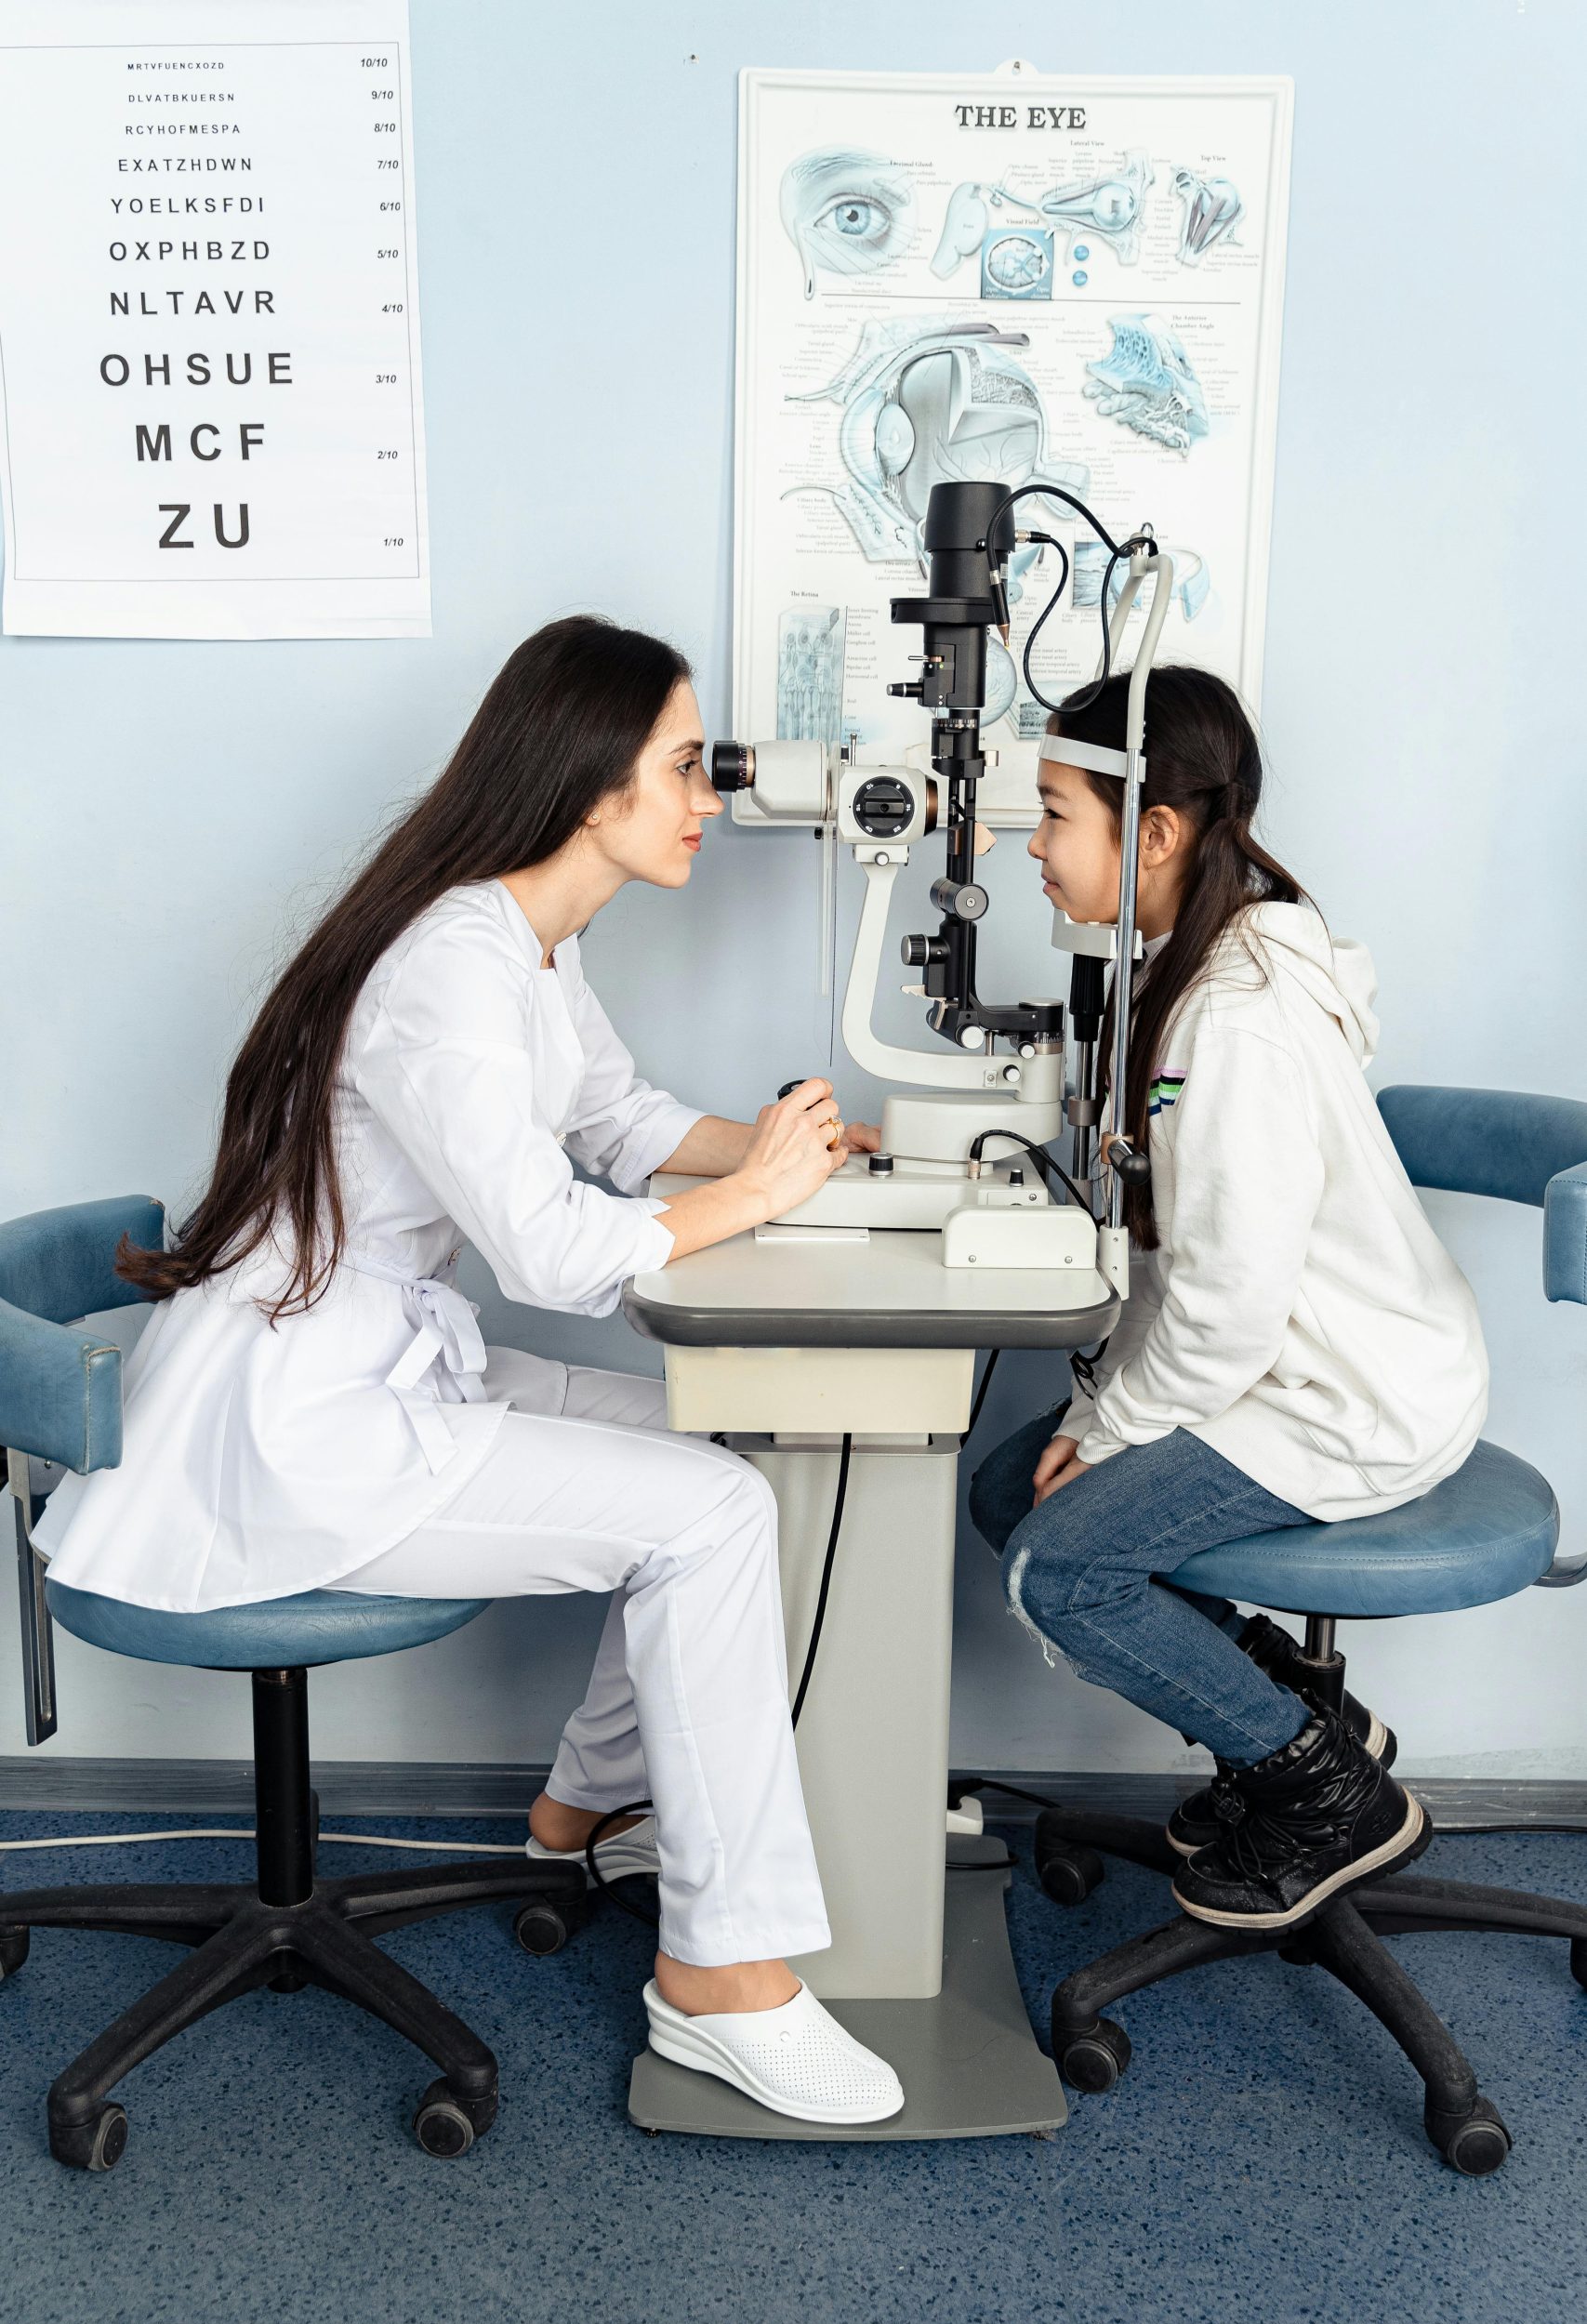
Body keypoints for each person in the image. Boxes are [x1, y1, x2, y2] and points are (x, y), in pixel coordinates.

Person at [32, 614, 902, 2127]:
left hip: (380, 1361)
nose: (709, 798)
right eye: (685, 768)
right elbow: (554, 1249)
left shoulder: (527, 940)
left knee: (726, 1454)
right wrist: (755, 1197)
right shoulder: (448, 966)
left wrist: (815, 1154)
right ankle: (722, 1978)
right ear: (592, 781)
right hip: (303, 1423)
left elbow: (620, 1123)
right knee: (712, 1516)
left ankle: (580, 1812)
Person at [968, 666, 1488, 1932]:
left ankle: (1325, 1795)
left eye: (1053, 814)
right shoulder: (1200, 961)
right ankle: (1300, 1714)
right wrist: (1097, 1416)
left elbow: (1231, 1303)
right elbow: (1190, 1266)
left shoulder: (1234, 1019)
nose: (1030, 845)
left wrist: (1112, 1430)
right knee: (1005, 1487)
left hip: (1345, 1393)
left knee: (1055, 1571)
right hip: (1279, 1360)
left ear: (1153, 833)